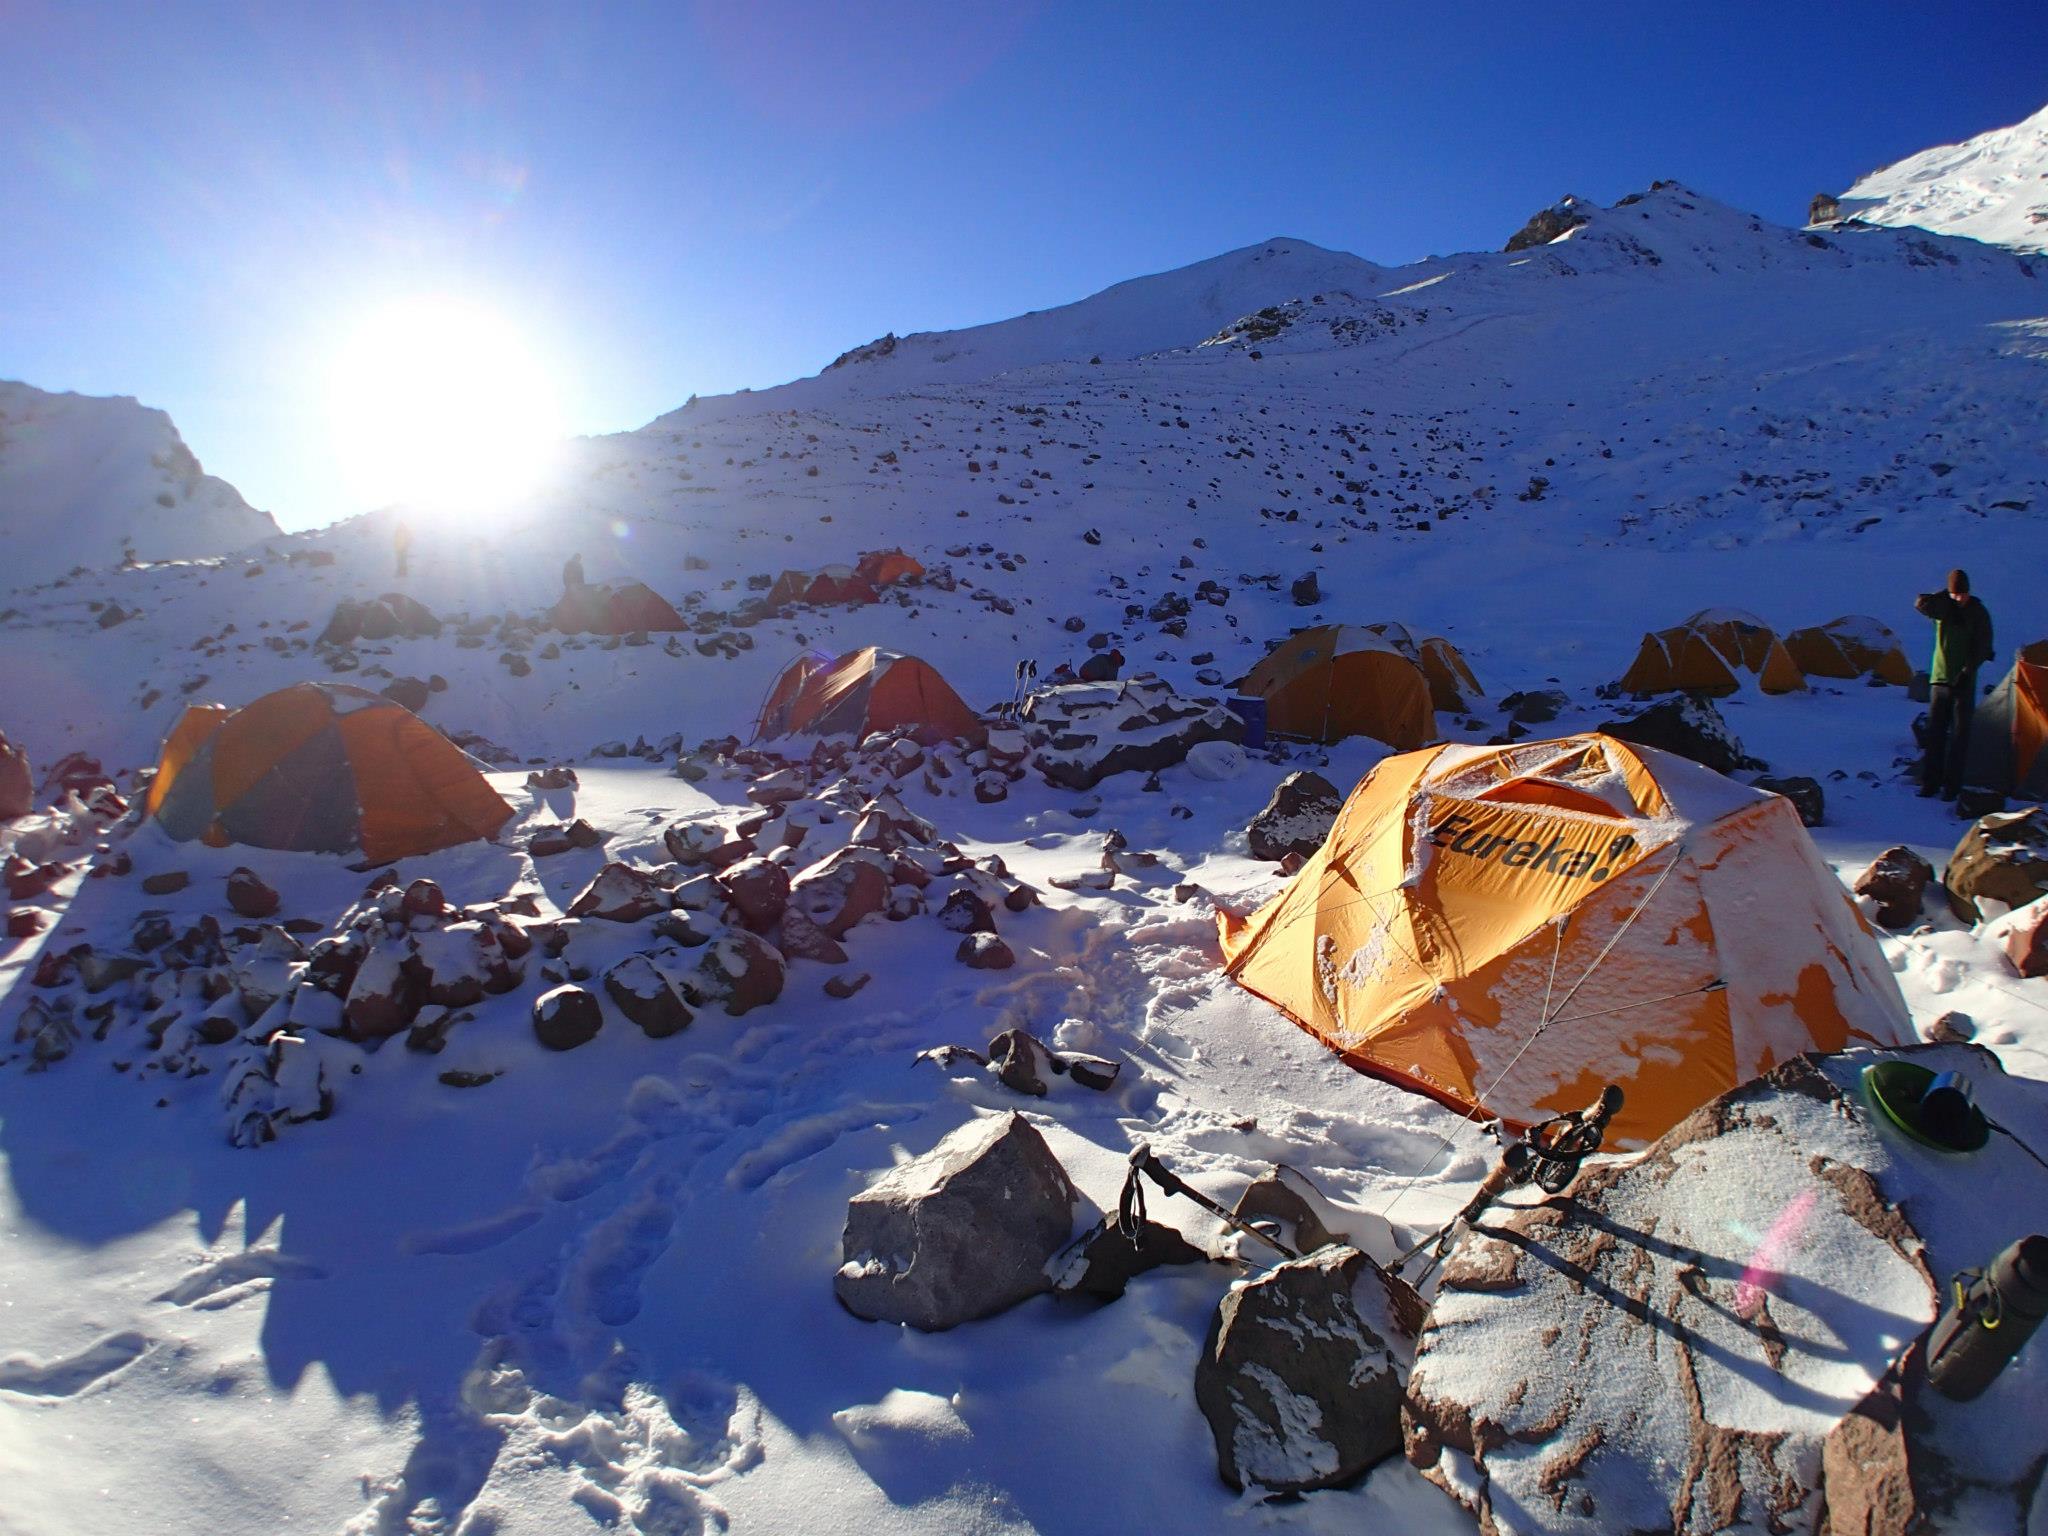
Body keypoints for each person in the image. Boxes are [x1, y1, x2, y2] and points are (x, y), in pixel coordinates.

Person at [1914, 568, 1994, 804]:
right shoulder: (1943, 608)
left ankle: (1952, 787)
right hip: (1939, 679)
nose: (1960, 598)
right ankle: (1931, 783)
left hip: (1963, 682)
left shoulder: (1978, 612)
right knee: (1936, 734)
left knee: (1960, 736)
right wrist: (1945, 595)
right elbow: (1921, 604)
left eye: (1963, 593)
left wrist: (1968, 671)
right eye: (1956, 594)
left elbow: (1983, 645)